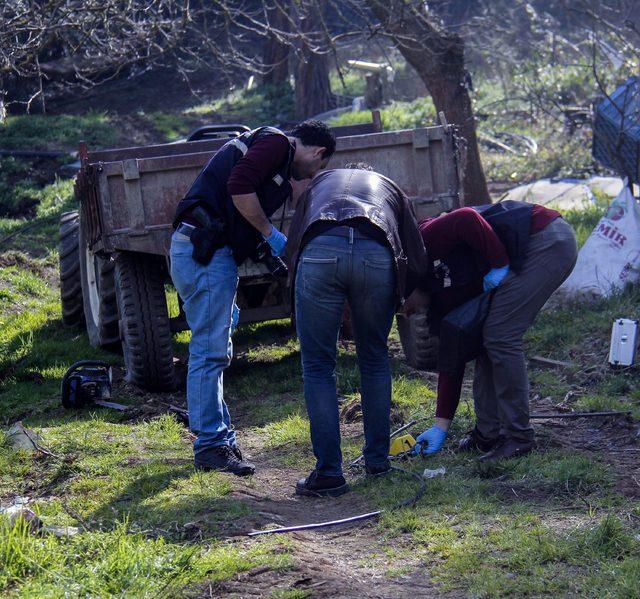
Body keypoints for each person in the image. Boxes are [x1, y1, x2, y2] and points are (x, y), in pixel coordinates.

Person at [171, 120, 336, 475]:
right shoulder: (278, 143)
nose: (311, 175)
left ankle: (222, 437)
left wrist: (267, 248)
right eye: (318, 167)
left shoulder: (273, 155)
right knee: (209, 350)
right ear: (318, 152)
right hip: (205, 253)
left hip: (208, 252)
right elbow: (239, 187)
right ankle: (211, 447)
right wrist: (270, 232)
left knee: (217, 347)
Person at [286, 164, 428, 496]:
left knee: (319, 367)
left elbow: (293, 245)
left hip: (320, 250)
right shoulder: (390, 188)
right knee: (375, 359)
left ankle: (329, 473)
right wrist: (405, 292)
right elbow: (416, 252)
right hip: (376, 254)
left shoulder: (317, 186)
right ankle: (378, 463)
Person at [405, 201, 578, 461]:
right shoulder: (438, 303)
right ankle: (488, 433)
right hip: (525, 250)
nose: (405, 314)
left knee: (500, 334)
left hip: (543, 239)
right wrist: (441, 425)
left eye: (401, 305)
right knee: (482, 342)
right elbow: (452, 360)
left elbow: (465, 218)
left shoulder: (422, 244)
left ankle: (519, 437)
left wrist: (498, 263)